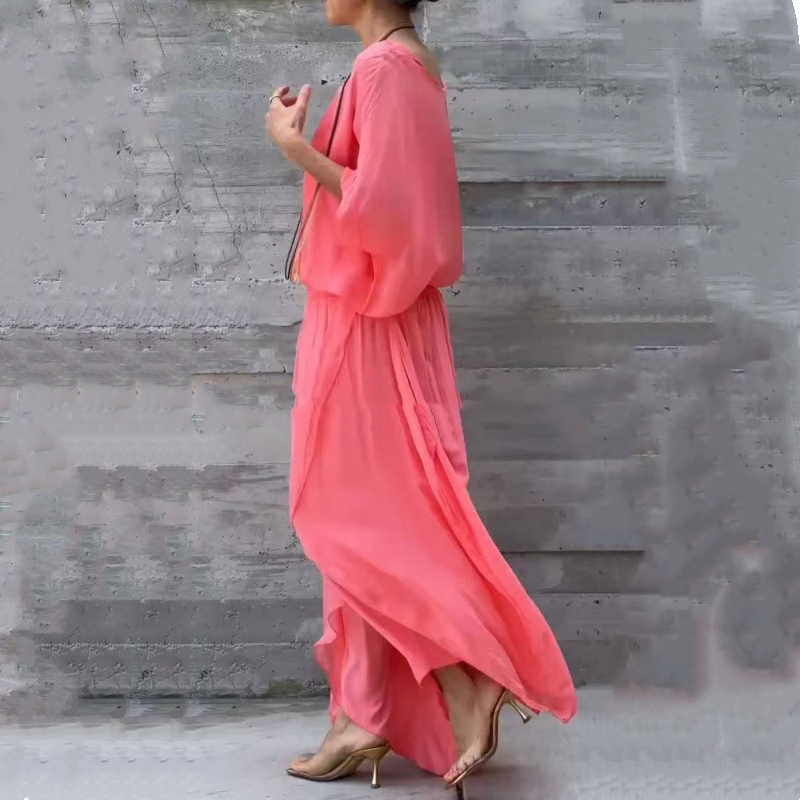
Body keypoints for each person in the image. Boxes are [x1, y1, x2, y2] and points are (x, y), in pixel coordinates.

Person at [264, 0, 578, 793]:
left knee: (357, 514)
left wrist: (296, 149)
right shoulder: (403, 66)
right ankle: (364, 710)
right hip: (373, 314)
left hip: (370, 321)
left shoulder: (386, 69)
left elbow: (390, 212)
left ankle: (461, 678)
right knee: (371, 513)